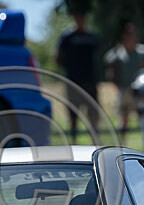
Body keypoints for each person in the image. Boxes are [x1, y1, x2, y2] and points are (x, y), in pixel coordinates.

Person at [104, 23, 144, 141]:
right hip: (124, 89)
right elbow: (109, 65)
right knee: (123, 119)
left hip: (140, 90)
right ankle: (120, 145)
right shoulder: (118, 52)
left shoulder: (143, 51)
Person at [56, 9, 100, 143]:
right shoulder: (67, 37)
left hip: (90, 80)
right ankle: (73, 141)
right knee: (73, 113)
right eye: (77, 17)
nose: (80, 20)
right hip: (73, 81)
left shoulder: (92, 37)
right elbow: (58, 58)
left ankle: (95, 141)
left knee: (93, 112)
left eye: (82, 18)